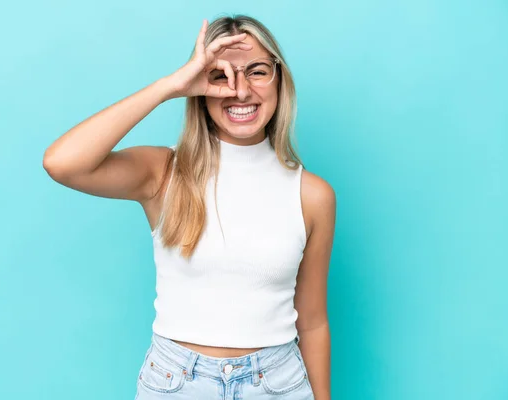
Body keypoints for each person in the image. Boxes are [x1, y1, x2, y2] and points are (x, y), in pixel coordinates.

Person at [43, 14, 335, 400]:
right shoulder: (163, 173)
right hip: (176, 384)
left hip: (278, 384)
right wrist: (171, 86)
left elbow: (313, 323)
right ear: (199, 87)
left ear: (280, 79)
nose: (240, 91)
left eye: (257, 72)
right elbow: (62, 163)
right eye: (220, 76)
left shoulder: (313, 195)